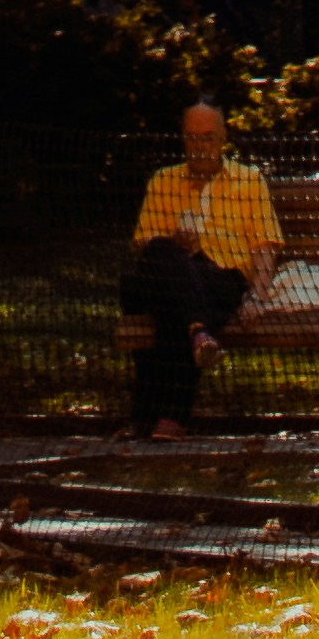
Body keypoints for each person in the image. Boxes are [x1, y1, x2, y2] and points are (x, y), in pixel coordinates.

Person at [121, 96, 281, 431]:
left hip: (223, 277)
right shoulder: (163, 180)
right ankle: (198, 334)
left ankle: (149, 415)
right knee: (163, 252)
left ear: (223, 138)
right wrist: (176, 243)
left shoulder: (249, 181)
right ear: (183, 139)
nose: (200, 147)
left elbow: (266, 246)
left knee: (170, 302)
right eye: (193, 138)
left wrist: (257, 296)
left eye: (207, 137)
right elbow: (144, 243)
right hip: (172, 272)